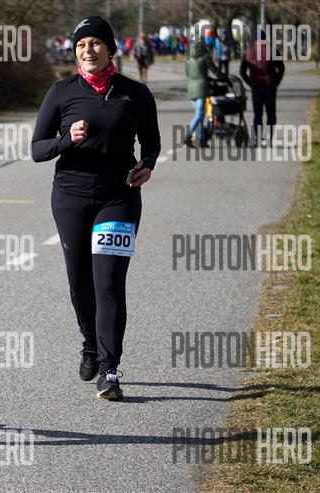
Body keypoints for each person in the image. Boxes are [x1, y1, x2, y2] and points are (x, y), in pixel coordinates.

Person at [31, 16, 161, 401]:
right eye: (81, 45)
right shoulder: (61, 92)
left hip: (119, 198)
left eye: (95, 43)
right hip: (70, 197)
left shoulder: (135, 93)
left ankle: (109, 368)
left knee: (109, 282)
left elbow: (151, 140)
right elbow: (37, 149)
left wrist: (148, 164)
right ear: (75, 52)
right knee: (80, 283)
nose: (88, 50)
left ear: (110, 49)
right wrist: (65, 140)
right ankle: (89, 343)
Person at [240, 30, 285, 146]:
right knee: (271, 113)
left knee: (257, 114)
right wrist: (277, 81)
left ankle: (258, 138)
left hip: (256, 86)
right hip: (270, 86)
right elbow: (281, 68)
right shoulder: (273, 50)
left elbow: (242, 71)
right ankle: (269, 137)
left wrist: (249, 82)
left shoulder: (249, 52)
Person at [184, 40, 222, 147]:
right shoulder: (205, 57)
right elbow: (214, 70)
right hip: (201, 89)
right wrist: (223, 77)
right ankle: (188, 134)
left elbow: (187, 73)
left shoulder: (188, 59)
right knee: (200, 113)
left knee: (199, 114)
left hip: (190, 89)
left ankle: (201, 139)